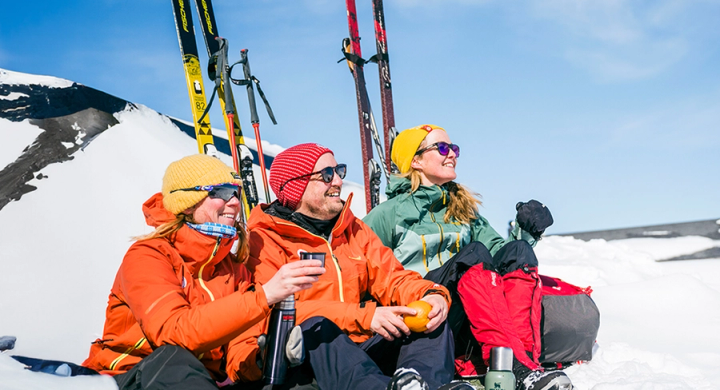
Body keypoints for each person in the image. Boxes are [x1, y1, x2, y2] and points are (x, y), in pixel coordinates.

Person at [82, 154, 325, 389]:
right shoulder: (149, 255)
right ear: (186, 204)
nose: (233, 202)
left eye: (236, 193)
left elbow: (237, 353)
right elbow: (173, 332)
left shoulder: (233, 269)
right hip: (132, 375)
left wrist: (264, 358)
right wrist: (264, 296)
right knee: (174, 359)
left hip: (201, 381)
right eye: (220, 192)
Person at [246, 143, 473, 390]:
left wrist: (433, 295)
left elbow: (393, 278)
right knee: (316, 327)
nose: (338, 182)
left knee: (430, 321)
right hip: (313, 360)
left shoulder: (352, 229)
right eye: (326, 175)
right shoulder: (265, 239)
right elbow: (272, 313)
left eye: (339, 171)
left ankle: (417, 383)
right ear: (295, 185)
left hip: (364, 349)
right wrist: (364, 317)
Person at [363, 125, 572, 390]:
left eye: (454, 148)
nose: (452, 154)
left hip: (463, 319)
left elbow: (500, 256)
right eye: (442, 148)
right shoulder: (388, 215)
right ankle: (517, 367)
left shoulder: (463, 211)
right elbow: (358, 264)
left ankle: (522, 364)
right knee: (473, 255)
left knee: (517, 251)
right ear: (415, 160)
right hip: (420, 318)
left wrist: (528, 232)